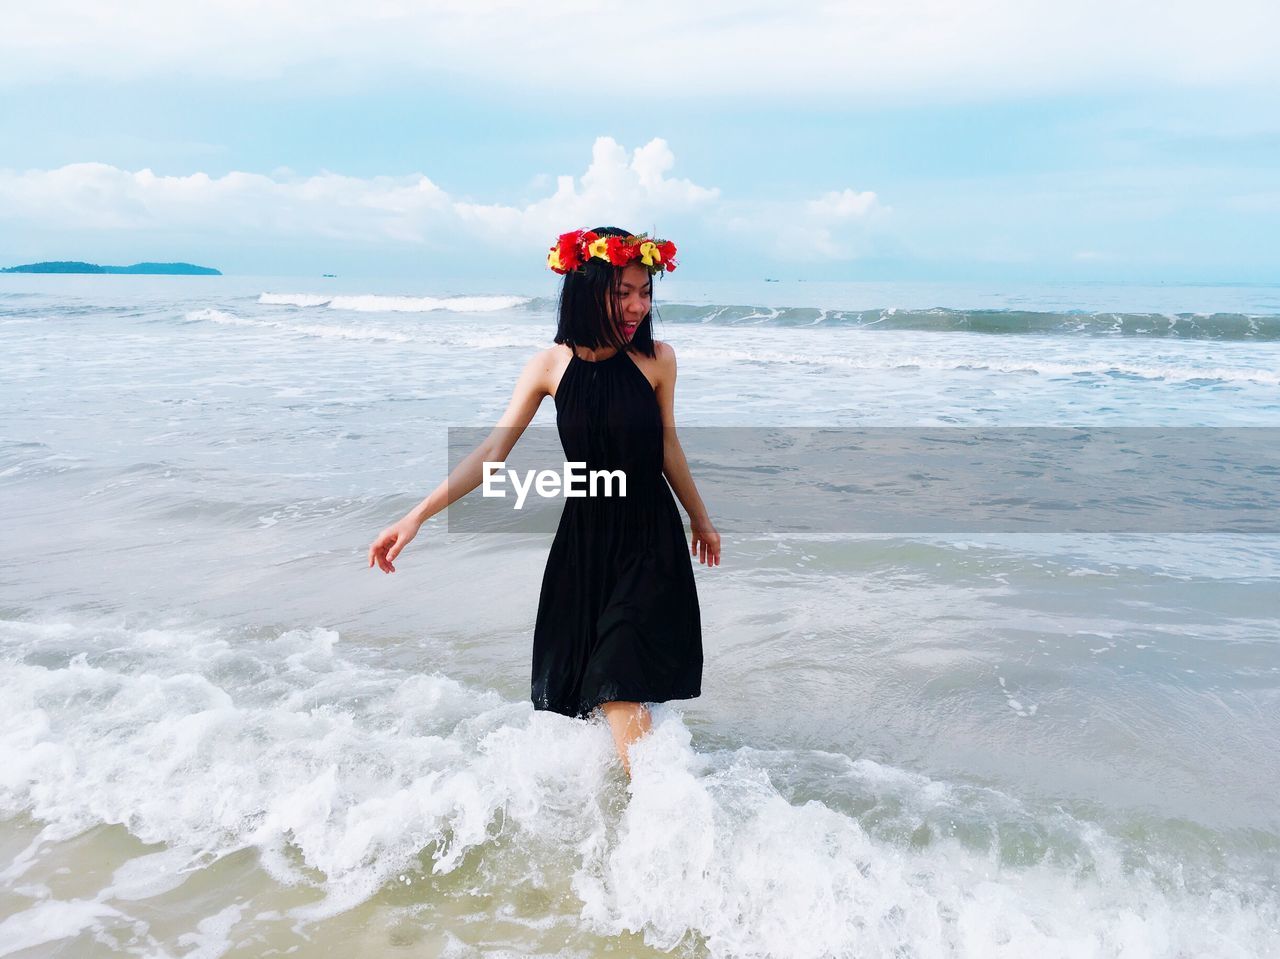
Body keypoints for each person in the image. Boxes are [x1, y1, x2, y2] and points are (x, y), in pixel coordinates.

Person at [367, 226, 720, 775]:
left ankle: (661, 818)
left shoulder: (658, 359)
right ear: (588, 287)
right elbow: (491, 452)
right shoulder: (549, 367)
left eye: (646, 292)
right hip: (585, 541)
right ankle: (621, 812)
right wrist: (415, 518)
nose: (637, 305)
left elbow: (668, 446)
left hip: (649, 537)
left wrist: (700, 519)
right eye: (624, 291)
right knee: (592, 693)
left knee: (619, 674)